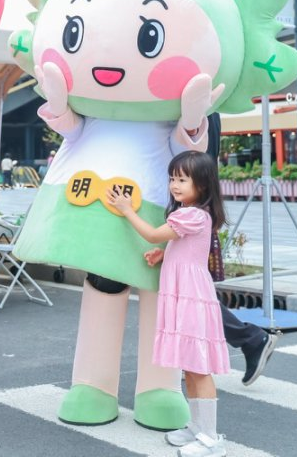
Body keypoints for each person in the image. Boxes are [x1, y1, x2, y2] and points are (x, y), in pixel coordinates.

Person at [107, 151, 230, 457]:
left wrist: (126, 209)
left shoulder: (192, 215)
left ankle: (210, 438)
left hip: (190, 296)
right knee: (190, 366)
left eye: (182, 179)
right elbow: (188, 247)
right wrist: (165, 254)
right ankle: (197, 427)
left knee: (198, 368)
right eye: (172, 178)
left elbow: (152, 234)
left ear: (202, 184)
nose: (175, 184)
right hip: (186, 293)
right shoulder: (193, 214)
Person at [206, 114, 277, 386]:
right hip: (194, 205)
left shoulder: (198, 105)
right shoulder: (207, 106)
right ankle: (248, 339)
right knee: (186, 292)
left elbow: (195, 162)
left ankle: (250, 338)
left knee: (190, 293)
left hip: (189, 210)